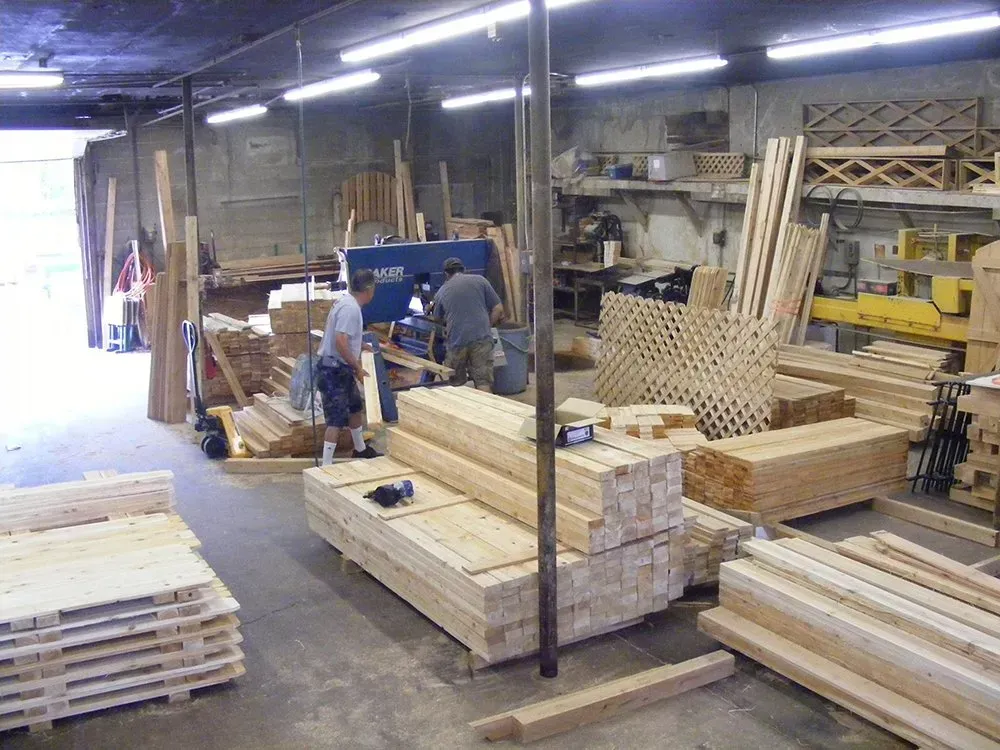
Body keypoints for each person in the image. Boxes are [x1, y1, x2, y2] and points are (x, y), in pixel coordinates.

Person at [317, 269, 381, 464]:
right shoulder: (350, 309)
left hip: (340, 368)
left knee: (355, 408)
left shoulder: (347, 303)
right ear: (369, 290)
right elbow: (340, 340)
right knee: (336, 419)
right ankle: (326, 465)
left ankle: (360, 449)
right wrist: (358, 368)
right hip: (333, 370)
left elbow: (345, 335)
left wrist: (360, 343)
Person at [431, 257, 504, 392]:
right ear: (464, 269)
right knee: (483, 380)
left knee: (455, 383)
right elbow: (498, 309)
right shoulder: (480, 280)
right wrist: (487, 326)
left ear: (446, 274)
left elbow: (436, 319)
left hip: (457, 341)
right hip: (481, 338)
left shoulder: (442, 291)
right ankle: (485, 412)